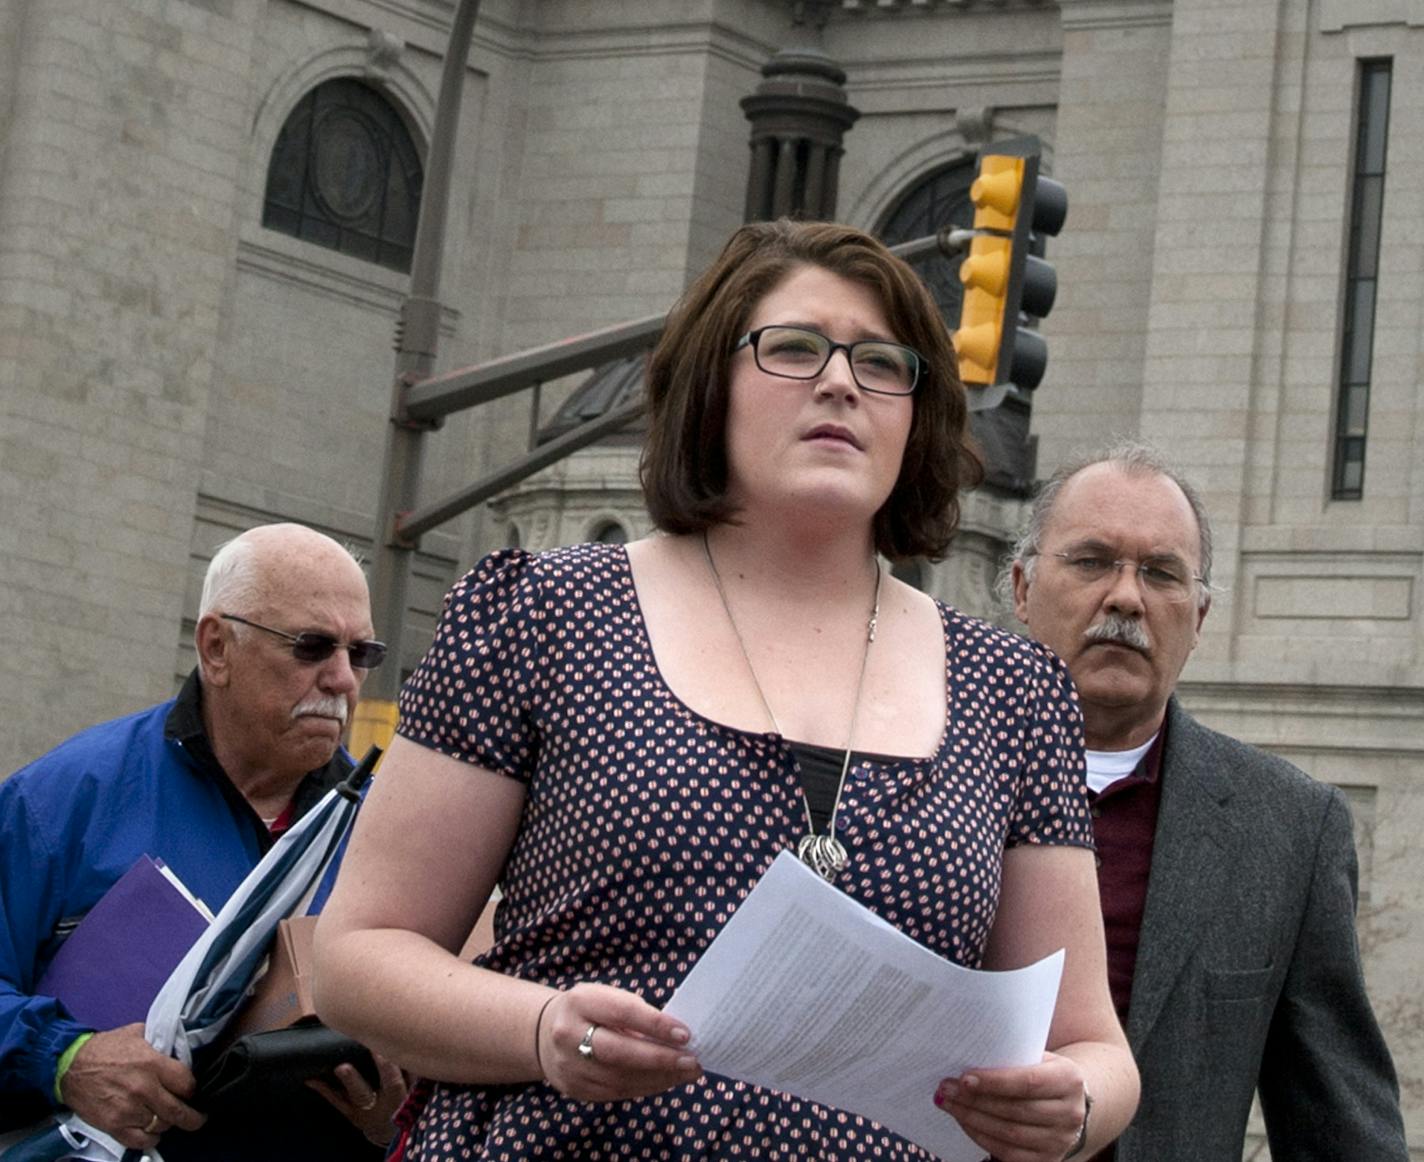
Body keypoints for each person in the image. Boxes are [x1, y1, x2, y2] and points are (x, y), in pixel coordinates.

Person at [314, 219, 1139, 1161]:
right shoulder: (541, 614)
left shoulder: (1014, 689)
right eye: (793, 349)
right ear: (712, 384)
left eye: (881, 363)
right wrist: (543, 1032)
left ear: (918, 415)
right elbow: (357, 957)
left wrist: (1070, 1107)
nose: (839, 381)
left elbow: (1094, 1047)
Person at [1006, 443, 1409, 1161]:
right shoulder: (917, 777)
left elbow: (1337, 1118)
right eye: (1092, 561)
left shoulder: (1288, 830)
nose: (1125, 597)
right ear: (1020, 587)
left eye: (1160, 573)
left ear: (1200, 617)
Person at [0, 523, 407, 1159]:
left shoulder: (393, 833)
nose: (343, 681)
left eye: (361, 655)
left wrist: (399, 1123)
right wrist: (67, 1058)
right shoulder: (62, 799)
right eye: (312, 647)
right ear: (216, 647)